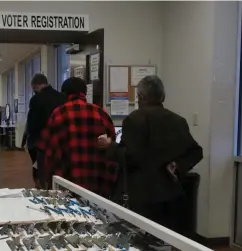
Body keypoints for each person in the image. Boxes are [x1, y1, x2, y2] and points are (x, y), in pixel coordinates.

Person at [97, 75, 203, 233]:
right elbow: (196, 151)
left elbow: (131, 158)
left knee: (140, 240)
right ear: (163, 96)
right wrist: (177, 166)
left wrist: (110, 146)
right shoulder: (178, 121)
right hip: (169, 194)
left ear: (140, 97)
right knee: (164, 240)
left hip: (140, 194)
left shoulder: (134, 120)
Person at [37, 77, 118, 197]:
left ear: (64, 93)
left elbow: (49, 148)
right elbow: (112, 146)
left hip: (66, 181)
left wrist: (47, 178)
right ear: (84, 93)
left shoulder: (59, 113)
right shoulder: (101, 113)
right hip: (96, 183)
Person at [26, 73, 66, 187]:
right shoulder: (62, 97)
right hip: (59, 142)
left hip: (40, 142)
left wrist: (30, 142)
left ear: (37, 85)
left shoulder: (36, 99)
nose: (34, 91)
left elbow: (32, 123)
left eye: (34, 88)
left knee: (40, 170)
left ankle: (42, 189)